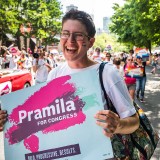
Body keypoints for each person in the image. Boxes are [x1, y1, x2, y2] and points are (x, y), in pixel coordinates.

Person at [0, 9, 139, 158]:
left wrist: (118, 125)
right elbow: (45, 118)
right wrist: (9, 122)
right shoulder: (55, 74)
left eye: (78, 35)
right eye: (65, 33)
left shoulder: (107, 73)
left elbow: (134, 121)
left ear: (90, 42)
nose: (70, 40)